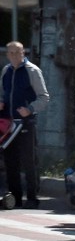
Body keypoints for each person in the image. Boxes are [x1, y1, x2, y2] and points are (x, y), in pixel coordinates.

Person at [1, 41, 50, 209]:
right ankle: (14, 198)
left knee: (29, 161)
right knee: (10, 161)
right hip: (8, 124)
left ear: (24, 53)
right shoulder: (6, 71)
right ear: (7, 54)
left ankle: (32, 197)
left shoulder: (33, 71)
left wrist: (30, 109)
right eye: (11, 53)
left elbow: (44, 97)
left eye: (18, 52)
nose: (15, 55)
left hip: (25, 123)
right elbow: (3, 93)